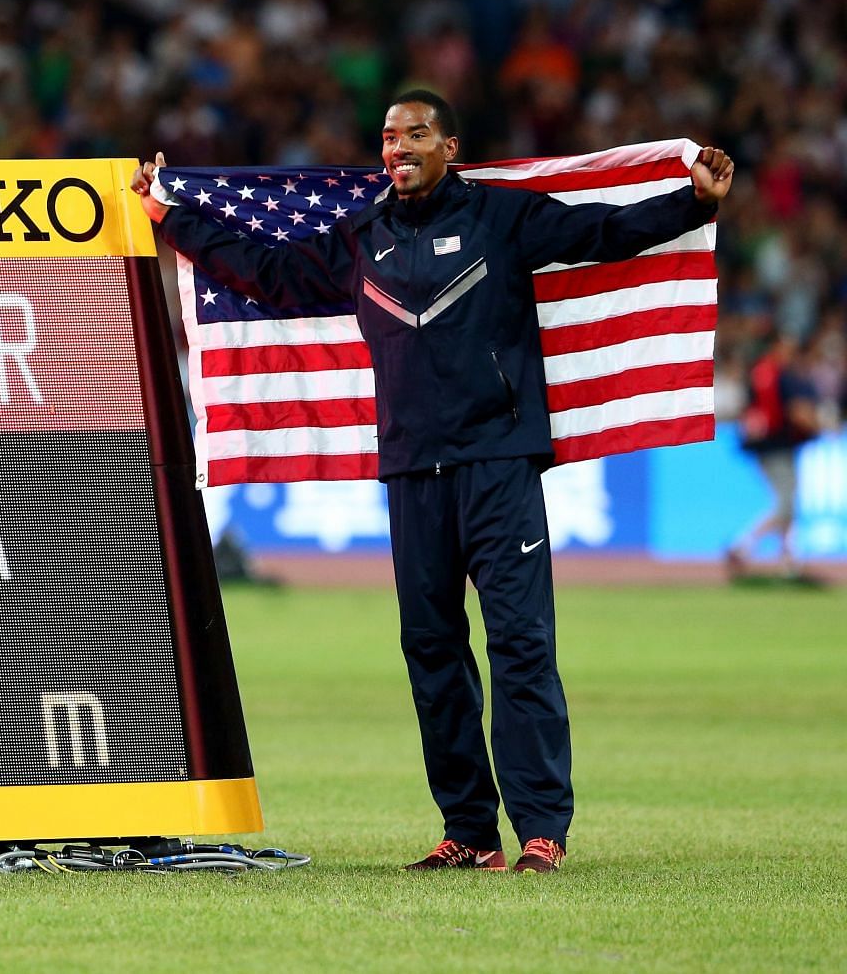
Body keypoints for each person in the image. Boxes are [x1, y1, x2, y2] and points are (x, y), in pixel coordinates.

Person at [132, 89, 733, 873]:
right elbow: (268, 273)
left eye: (415, 133)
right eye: (387, 137)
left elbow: (603, 233)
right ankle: (470, 831)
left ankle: (542, 828)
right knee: (432, 649)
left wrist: (691, 201)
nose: (397, 147)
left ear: (451, 144)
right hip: (414, 470)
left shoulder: (502, 217)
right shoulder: (363, 235)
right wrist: (171, 216)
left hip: (499, 466)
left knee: (521, 645)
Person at [727, 335, 819, 580]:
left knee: (786, 504)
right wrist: (820, 427)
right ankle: (743, 545)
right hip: (779, 446)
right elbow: (798, 412)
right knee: (786, 504)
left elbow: (746, 410)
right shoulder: (783, 376)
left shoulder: (757, 373)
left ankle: (789, 560)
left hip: (761, 446)